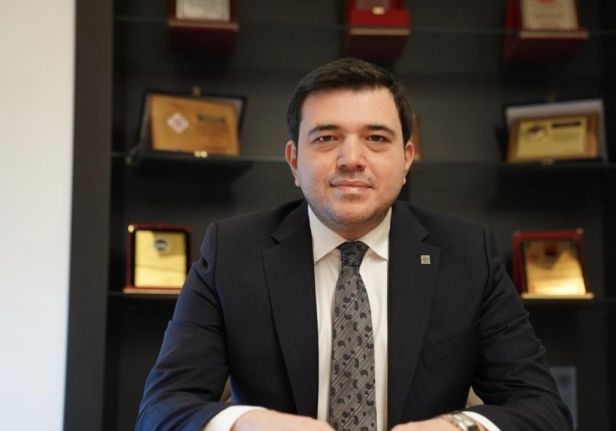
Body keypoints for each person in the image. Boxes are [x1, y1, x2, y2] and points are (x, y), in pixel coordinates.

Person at [137, 58, 572, 431]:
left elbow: (543, 409)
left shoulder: (467, 254)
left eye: (376, 138)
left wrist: (456, 427)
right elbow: (162, 409)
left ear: (406, 159)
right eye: (326, 138)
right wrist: (249, 423)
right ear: (294, 160)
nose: (351, 159)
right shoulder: (231, 252)